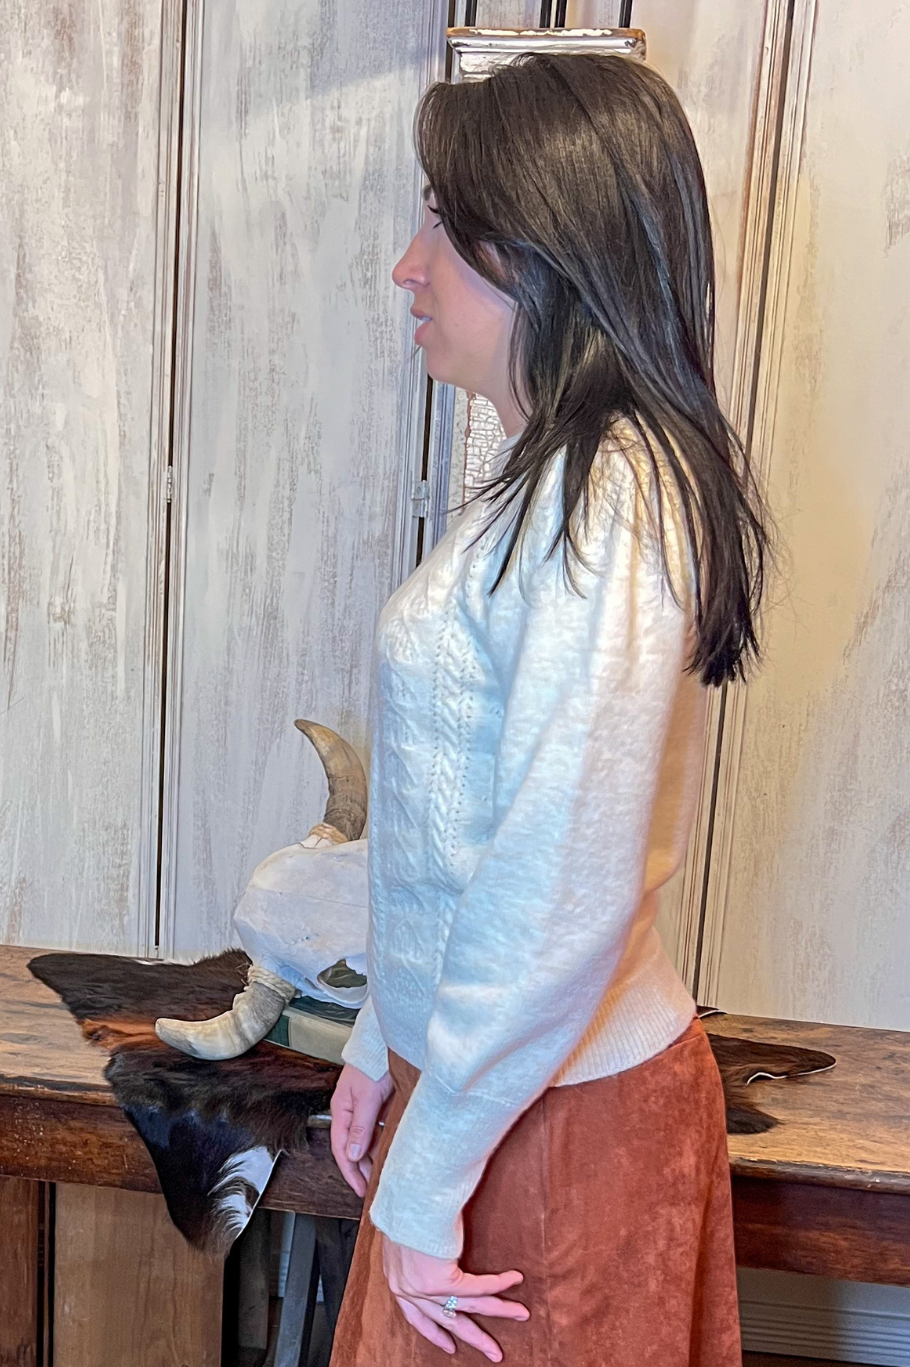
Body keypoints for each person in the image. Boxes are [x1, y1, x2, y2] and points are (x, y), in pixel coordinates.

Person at [329, 51, 770, 1367]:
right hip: (496, 1099)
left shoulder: (607, 506)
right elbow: (456, 831)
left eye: (441, 232)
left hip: (549, 1123)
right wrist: (380, 1032)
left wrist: (427, 1168)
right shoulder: (559, 484)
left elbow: (555, 882)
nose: (408, 269)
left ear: (538, 257)